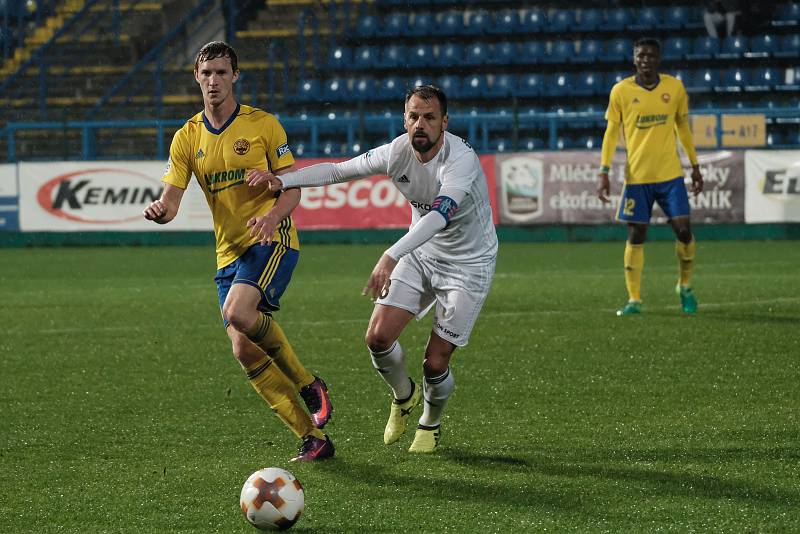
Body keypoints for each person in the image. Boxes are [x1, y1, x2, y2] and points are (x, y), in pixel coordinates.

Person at [247, 85, 497, 454]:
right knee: (377, 338)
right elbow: (338, 171)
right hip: (420, 251)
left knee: (435, 360)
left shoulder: (460, 159)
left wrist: (390, 254)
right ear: (404, 119)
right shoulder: (397, 151)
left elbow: (441, 216)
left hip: (468, 264)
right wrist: (284, 179)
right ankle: (403, 396)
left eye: (429, 117)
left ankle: (430, 421)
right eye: (413, 116)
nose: (420, 124)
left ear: (445, 122)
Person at [142, 41, 334, 462]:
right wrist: (161, 211)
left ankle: (307, 383)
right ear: (196, 77)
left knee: (240, 314)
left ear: (235, 76)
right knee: (243, 348)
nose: (213, 80)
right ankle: (311, 438)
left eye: (221, 73)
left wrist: (271, 216)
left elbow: (293, 189)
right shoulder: (187, 137)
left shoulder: (263, 125)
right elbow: (171, 203)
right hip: (228, 255)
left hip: (271, 239)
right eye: (206, 72)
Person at [597, 37, 704, 317]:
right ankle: (634, 299)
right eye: (640, 55)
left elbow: (683, 126)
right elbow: (611, 133)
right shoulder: (621, 91)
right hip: (638, 177)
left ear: (658, 59)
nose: (645, 60)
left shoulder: (674, 87)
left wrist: (695, 165)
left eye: (650, 55)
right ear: (634, 59)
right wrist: (604, 170)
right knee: (636, 234)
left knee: (684, 230)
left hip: (670, 175)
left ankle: (685, 286)